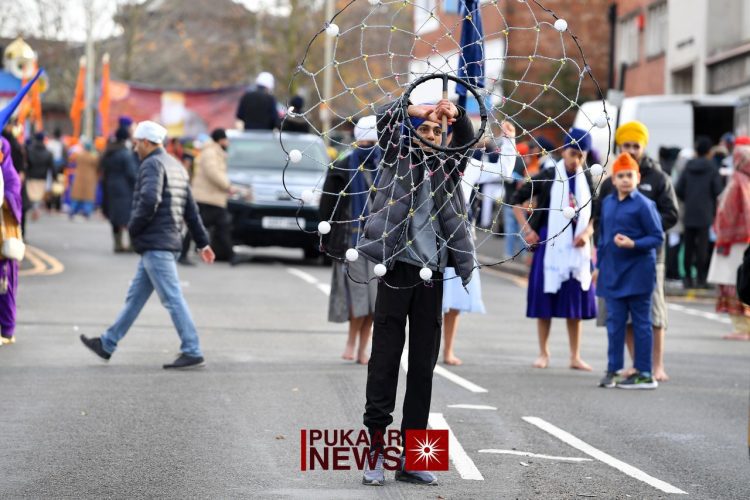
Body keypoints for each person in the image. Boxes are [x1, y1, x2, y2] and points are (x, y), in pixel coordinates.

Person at [357, 98, 475, 486]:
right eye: (424, 129)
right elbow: (385, 117)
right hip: (395, 271)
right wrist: (415, 108)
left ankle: (413, 459)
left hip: (432, 277)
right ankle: (375, 455)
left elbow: (467, 138)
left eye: (437, 131)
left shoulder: (449, 166)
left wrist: (456, 114)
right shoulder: (397, 158)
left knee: (423, 368)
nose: (430, 135)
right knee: (384, 362)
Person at [80, 121, 215, 370]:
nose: (134, 149)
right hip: (167, 241)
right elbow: (191, 210)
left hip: (156, 243)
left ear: (146, 142)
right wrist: (203, 242)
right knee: (135, 298)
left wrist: (133, 227)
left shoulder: (152, 165)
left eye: (136, 144)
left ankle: (192, 349)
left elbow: (150, 199)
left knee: (172, 298)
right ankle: (107, 343)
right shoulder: (176, 165)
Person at [594, 121, 678, 382]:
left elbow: (666, 221)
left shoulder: (657, 182)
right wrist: (598, 264)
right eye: (626, 145)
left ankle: (652, 368)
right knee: (617, 320)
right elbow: (601, 227)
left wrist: (636, 238)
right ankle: (624, 368)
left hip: (647, 262)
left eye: (635, 145)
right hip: (614, 266)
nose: (630, 150)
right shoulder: (609, 194)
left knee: (651, 316)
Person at [511, 128, 596, 371]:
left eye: (581, 155)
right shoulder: (549, 175)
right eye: (572, 153)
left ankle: (575, 356)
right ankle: (543, 353)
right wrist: (528, 230)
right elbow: (516, 199)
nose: (576, 159)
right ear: (564, 150)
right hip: (550, 243)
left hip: (578, 247)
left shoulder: (588, 179)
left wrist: (587, 233)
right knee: (545, 302)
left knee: (574, 304)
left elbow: (596, 214)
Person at [596, 153, 664, 389]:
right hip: (612, 273)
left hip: (639, 273)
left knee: (641, 324)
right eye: (621, 175)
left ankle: (644, 373)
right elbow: (603, 238)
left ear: (638, 177)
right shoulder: (608, 202)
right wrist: (598, 267)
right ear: (613, 179)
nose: (625, 179)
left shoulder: (645, 205)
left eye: (629, 175)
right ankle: (613, 370)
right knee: (614, 323)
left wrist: (633, 244)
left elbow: (657, 237)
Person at [319, 116, 379, 365]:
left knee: (375, 302)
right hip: (350, 242)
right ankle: (351, 342)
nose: (367, 146)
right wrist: (326, 240)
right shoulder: (342, 167)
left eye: (372, 142)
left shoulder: (387, 168)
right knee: (358, 298)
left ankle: (363, 347)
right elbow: (327, 206)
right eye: (364, 141)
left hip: (379, 244)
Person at [707, 143, 750, 340]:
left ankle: (742, 328)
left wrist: (721, 234)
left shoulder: (737, 180)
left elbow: (728, 212)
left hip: (732, 242)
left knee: (734, 282)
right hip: (745, 240)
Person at [676, 136, 723, 289]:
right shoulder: (712, 167)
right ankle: (701, 279)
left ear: (696, 151)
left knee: (688, 246)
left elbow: (679, 189)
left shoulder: (688, 167)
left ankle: (687, 278)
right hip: (705, 212)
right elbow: (718, 190)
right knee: (703, 247)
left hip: (689, 211)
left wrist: (689, 198)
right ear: (709, 151)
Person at [190, 128, 235, 262]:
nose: (227, 143)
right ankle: (231, 255)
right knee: (198, 225)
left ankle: (230, 255)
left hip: (212, 196)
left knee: (221, 226)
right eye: (226, 139)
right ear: (221, 140)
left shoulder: (214, 151)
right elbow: (213, 172)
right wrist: (227, 186)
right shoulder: (211, 152)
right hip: (208, 197)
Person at [0, 137, 23, 346]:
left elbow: (14, 199)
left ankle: (7, 330)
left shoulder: (9, 174)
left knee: (5, 286)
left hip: (4, 236)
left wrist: (3, 197)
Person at [101, 127, 138, 252]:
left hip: (110, 187)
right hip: (125, 189)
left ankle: (117, 244)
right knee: (129, 217)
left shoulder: (108, 151)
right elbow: (131, 173)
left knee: (115, 217)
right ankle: (132, 245)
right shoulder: (125, 153)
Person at [25, 131, 53, 220]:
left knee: (31, 194)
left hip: (31, 176)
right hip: (42, 176)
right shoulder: (48, 152)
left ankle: (34, 208)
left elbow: (27, 163)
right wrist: (55, 176)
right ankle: (36, 208)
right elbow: (51, 166)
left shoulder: (29, 151)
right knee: (38, 195)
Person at [69, 139, 99, 219]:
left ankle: (73, 210)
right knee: (88, 197)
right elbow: (98, 166)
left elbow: (71, 158)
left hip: (79, 178)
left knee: (77, 196)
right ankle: (86, 212)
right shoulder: (93, 157)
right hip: (90, 179)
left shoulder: (79, 155)